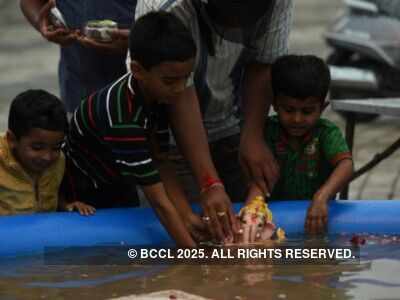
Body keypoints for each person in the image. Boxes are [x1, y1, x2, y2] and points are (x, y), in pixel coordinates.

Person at [61, 11, 235, 246]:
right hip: (83, 190)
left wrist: (188, 218)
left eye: (186, 78)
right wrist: (193, 258)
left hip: (119, 178)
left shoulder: (157, 95)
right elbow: (160, 204)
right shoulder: (124, 118)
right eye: (170, 81)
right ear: (138, 70)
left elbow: (160, 161)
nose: (179, 89)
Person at [131, 0, 292, 232]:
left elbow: (264, 60)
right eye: (230, 23)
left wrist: (253, 136)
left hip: (230, 122)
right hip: (171, 139)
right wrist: (209, 182)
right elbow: (179, 88)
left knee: (240, 228)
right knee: (196, 234)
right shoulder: (167, 6)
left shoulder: (277, 3)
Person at [241, 55, 354, 241]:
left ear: (322, 108)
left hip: (318, 218)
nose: (297, 119)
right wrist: (254, 209)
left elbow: (346, 165)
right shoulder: (266, 132)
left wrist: (321, 198)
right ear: (275, 104)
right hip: (275, 219)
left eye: (307, 111)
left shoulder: (325, 133)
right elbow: (258, 180)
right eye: (289, 110)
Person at [20, 0, 136, 114]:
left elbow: (154, 24)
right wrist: (41, 22)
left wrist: (135, 43)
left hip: (135, 97)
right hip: (77, 92)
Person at [0, 89, 94, 216]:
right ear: (12, 139)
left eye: (56, 147)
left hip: (44, 232)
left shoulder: (59, 160)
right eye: (37, 148)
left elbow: (50, 194)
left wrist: (65, 206)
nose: (47, 157)